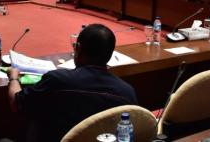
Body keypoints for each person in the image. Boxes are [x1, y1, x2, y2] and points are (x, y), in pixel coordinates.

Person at [7, 24, 137, 142]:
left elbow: (16, 103)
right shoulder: (127, 92)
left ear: (78, 48)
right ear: (110, 55)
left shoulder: (57, 80)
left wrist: (13, 78)